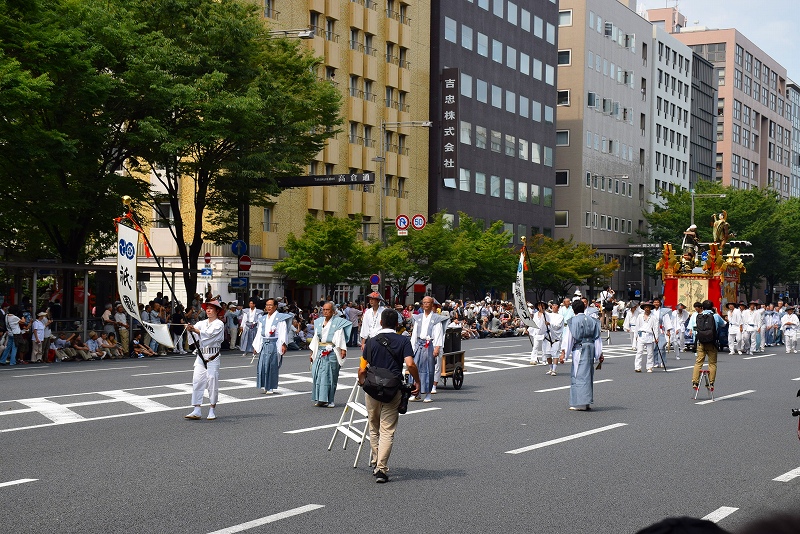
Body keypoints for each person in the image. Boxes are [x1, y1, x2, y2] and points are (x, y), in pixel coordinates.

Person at [358, 308, 420, 483]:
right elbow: (410, 364)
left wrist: (363, 382)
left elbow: (362, 368)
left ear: (380, 322)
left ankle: (376, 461)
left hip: (372, 389)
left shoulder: (370, 341)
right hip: (393, 389)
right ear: (397, 324)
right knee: (387, 430)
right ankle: (381, 469)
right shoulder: (403, 341)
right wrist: (417, 381)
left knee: (373, 426)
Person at [184, 299, 226, 421]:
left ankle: (212, 408)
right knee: (197, 381)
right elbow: (195, 331)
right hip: (201, 355)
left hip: (213, 356)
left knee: (212, 381)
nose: (208, 310)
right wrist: (189, 328)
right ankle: (196, 409)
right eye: (207, 308)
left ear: (217, 311)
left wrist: (195, 330)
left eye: (211, 308)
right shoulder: (202, 323)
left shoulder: (219, 324)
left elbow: (209, 335)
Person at [558, 300, 603, 411]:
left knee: (579, 374)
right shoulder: (593, 321)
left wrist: (564, 353)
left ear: (573, 309)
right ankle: (587, 401)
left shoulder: (573, 321)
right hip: (591, 347)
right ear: (584, 307)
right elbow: (597, 338)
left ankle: (581, 403)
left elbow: (569, 339)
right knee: (588, 374)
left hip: (579, 349)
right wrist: (599, 354)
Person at [309, 301, 352, 407]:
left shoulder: (337, 322)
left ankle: (330, 399)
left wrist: (343, 350)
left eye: (327, 310)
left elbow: (340, 337)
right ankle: (320, 399)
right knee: (317, 374)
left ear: (333, 311)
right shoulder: (319, 321)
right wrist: (312, 352)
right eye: (323, 309)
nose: (325, 311)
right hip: (320, 350)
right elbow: (315, 338)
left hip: (332, 351)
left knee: (330, 376)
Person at [410, 296, 448, 401]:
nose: (426, 304)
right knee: (414, 368)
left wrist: (437, 348)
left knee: (428, 370)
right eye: (424, 302)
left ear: (432, 305)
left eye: (428, 303)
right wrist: (411, 348)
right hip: (419, 344)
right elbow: (414, 335)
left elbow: (438, 334)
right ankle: (416, 393)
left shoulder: (436, 319)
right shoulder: (418, 318)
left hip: (429, 345)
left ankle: (428, 394)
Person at [252, 298, 293, 395]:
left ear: (275, 306)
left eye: (271, 305)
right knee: (262, 365)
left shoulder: (280, 318)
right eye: (267, 305)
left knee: (272, 365)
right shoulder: (262, 318)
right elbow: (259, 333)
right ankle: (265, 385)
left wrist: (283, 344)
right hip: (264, 343)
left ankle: (270, 386)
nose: (268, 307)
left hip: (274, 343)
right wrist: (256, 346)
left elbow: (283, 332)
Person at [691, 300, 725, 392]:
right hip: (712, 343)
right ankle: (710, 383)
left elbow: (695, 328)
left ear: (702, 307)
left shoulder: (699, 316)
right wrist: (717, 313)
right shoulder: (715, 316)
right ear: (712, 307)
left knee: (698, 362)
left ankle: (695, 382)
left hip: (701, 342)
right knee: (712, 363)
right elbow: (724, 324)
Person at [634, 302, 659, 372]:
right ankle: (637, 367)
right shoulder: (640, 316)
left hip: (650, 335)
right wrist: (636, 335)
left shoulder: (654, 317)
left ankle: (649, 367)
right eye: (645, 307)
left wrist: (656, 338)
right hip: (641, 335)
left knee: (650, 353)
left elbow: (656, 328)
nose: (647, 309)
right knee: (639, 352)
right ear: (644, 308)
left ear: (650, 308)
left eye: (648, 307)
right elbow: (637, 326)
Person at [543, 301, 564, 376]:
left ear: (558, 308)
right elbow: (542, 315)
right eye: (553, 306)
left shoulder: (560, 317)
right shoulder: (548, 315)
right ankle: (550, 368)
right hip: (548, 337)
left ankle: (554, 370)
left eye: (555, 306)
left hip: (556, 338)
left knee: (555, 354)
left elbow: (557, 326)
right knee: (547, 354)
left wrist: (550, 324)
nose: (554, 307)